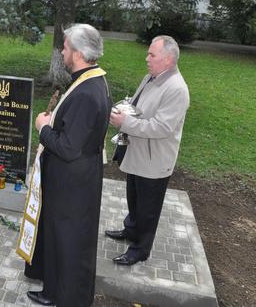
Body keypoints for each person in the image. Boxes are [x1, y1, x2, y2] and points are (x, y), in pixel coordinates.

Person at [24, 24, 112, 306]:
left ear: (77, 52)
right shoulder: (87, 80)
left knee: (69, 238)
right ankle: (53, 289)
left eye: (65, 47)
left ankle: (66, 296)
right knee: (60, 234)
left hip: (73, 181)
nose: (62, 51)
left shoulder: (87, 91)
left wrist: (43, 128)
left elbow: (68, 147)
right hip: (72, 177)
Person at [105, 35, 190, 265]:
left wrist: (125, 123)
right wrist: (124, 110)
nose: (147, 58)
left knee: (148, 209)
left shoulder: (177, 89)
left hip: (154, 161)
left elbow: (161, 127)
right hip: (139, 152)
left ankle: (140, 250)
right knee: (134, 198)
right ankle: (131, 230)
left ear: (168, 59)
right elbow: (137, 106)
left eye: (152, 55)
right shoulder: (151, 77)